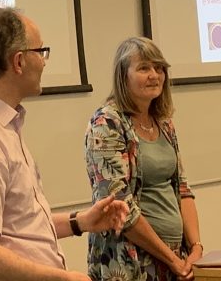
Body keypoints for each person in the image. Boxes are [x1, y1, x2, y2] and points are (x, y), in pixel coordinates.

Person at [0, 7, 128, 281]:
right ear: (18, 62)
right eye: (41, 52)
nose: (44, 62)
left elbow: (20, 227)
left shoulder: (1, 124)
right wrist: (63, 279)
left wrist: (80, 222)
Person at [84, 37, 203, 281]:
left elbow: (182, 188)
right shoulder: (106, 123)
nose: (154, 75)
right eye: (144, 68)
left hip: (175, 258)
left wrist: (196, 248)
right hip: (129, 262)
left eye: (159, 68)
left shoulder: (164, 123)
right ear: (123, 76)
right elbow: (119, 205)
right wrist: (172, 260)